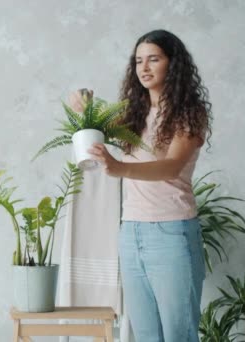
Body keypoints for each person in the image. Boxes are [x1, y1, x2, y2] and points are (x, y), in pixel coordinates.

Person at [69, 29, 212, 342]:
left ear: (172, 65)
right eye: (138, 61)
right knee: (146, 335)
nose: (144, 68)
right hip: (131, 232)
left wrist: (119, 168)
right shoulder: (132, 114)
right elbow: (94, 117)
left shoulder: (189, 114)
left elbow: (172, 166)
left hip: (172, 232)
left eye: (154, 59)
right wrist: (83, 99)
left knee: (179, 334)